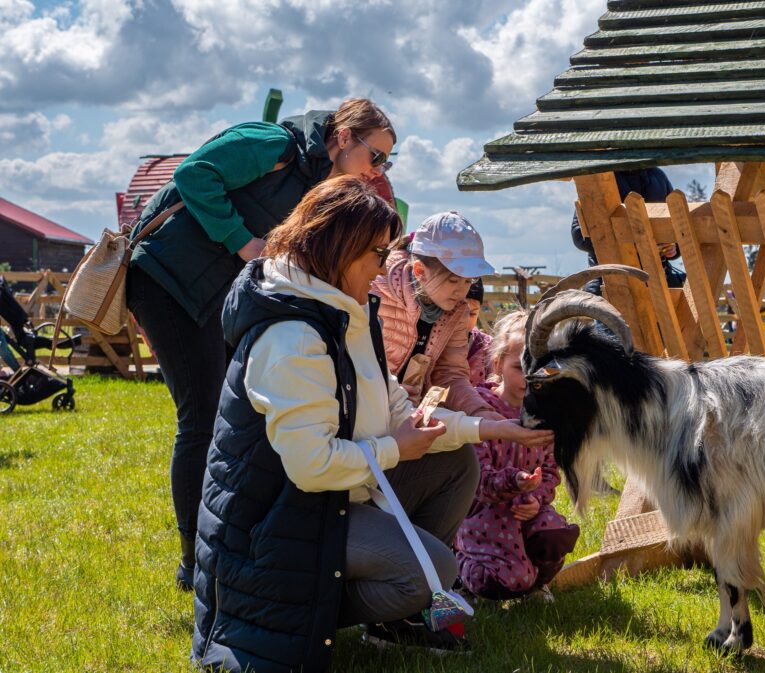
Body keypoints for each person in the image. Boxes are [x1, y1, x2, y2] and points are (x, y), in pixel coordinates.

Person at [191, 176, 553, 672]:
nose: (386, 267)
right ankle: (312, 609)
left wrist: (496, 429)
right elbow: (312, 468)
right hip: (276, 521)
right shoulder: (293, 336)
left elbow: (403, 413)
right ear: (338, 248)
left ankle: (392, 610)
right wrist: (394, 450)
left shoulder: (349, 308)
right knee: (436, 570)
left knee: (454, 464)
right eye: (378, 255)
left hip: (325, 498)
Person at [126, 98, 396, 591]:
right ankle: (195, 561)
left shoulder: (321, 185)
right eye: (375, 156)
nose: (377, 169)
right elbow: (195, 174)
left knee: (239, 417)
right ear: (343, 138)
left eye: (385, 162)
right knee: (202, 416)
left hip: (218, 297)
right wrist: (244, 242)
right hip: (167, 281)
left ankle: (231, 541)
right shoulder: (273, 144)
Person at [456, 310, 580, 603]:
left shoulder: (545, 415)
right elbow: (477, 480)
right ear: (497, 364)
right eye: (518, 367)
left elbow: (550, 472)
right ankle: (463, 570)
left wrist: (537, 498)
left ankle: (537, 582)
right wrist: (514, 482)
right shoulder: (481, 411)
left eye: (541, 370)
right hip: (484, 513)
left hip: (527, 508)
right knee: (511, 580)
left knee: (555, 535)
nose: (530, 378)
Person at [371, 212, 502, 419]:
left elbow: (450, 374)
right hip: (365, 413)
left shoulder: (457, 311)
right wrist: (393, 396)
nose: (462, 292)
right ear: (420, 271)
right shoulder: (377, 291)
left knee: (464, 452)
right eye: (453, 280)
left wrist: (481, 412)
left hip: (408, 415)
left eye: (468, 281)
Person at [570, 167, 686, 294]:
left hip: (660, 278)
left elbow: (676, 228)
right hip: (608, 279)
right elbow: (579, 236)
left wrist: (673, 247)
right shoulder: (599, 179)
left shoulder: (658, 176)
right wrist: (630, 246)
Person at [465, 279, 492, 387]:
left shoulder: (486, 347)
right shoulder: (434, 341)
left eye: (472, 314)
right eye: (458, 312)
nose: (465, 320)